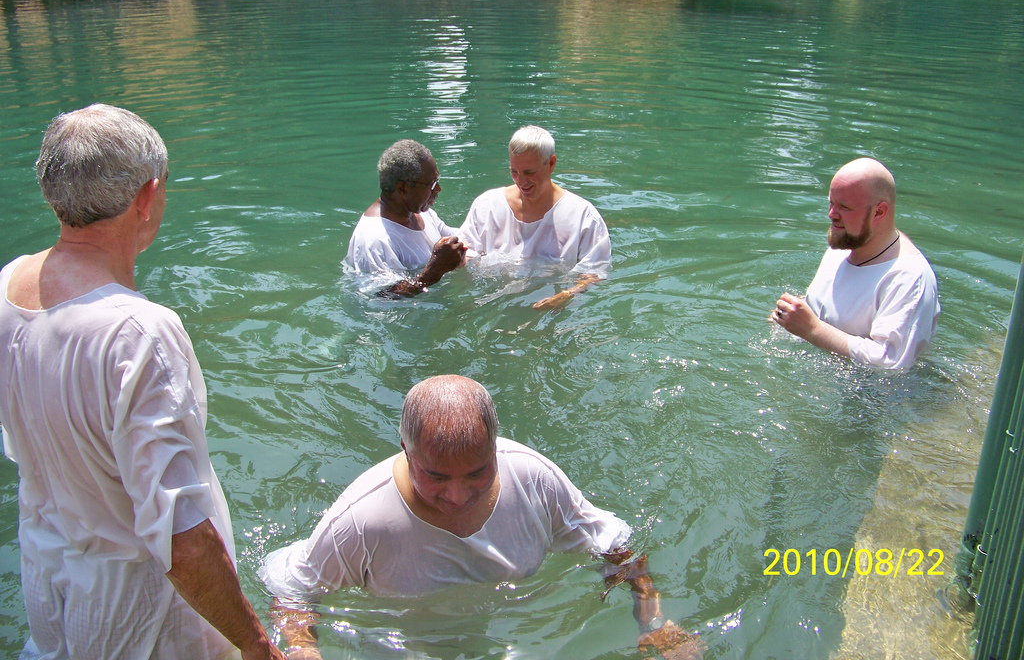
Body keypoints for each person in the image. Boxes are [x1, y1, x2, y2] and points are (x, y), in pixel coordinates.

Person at [0, 104, 284, 660]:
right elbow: (180, 534)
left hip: (47, 581)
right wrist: (257, 647)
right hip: (138, 616)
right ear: (147, 196)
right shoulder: (137, 332)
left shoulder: (8, 284)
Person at [260, 375, 700, 660]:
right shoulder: (361, 520)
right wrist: (303, 651)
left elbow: (615, 549)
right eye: (435, 476)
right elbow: (293, 593)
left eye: (477, 473)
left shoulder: (532, 477)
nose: (457, 496)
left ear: (495, 448)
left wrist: (655, 622)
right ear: (405, 449)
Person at [772, 157, 940, 369]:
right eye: (831, 202)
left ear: (879, 211)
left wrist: (812, 329)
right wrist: (790, 315)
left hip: (872, 398)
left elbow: (891, 363)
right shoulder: (844, 244)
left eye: (844, 207)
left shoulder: (908, 278)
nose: (831, 215)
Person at [459, 126, 611, 310]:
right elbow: (467, 257)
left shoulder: (583, 216)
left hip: (551, 309)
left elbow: (595, 272)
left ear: (551, 163)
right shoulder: (486, 206)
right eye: (514, 171)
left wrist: (566, 295)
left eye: (530, 173)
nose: (521, 182)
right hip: (494, 305)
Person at [345, 139, 467, 297]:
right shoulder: (375, 240)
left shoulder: (423, 213)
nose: (438, 189)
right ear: (403, 188)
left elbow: (461, 238)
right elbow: (384, 298)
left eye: (437, 180)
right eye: (430, 184)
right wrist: (435, 271)